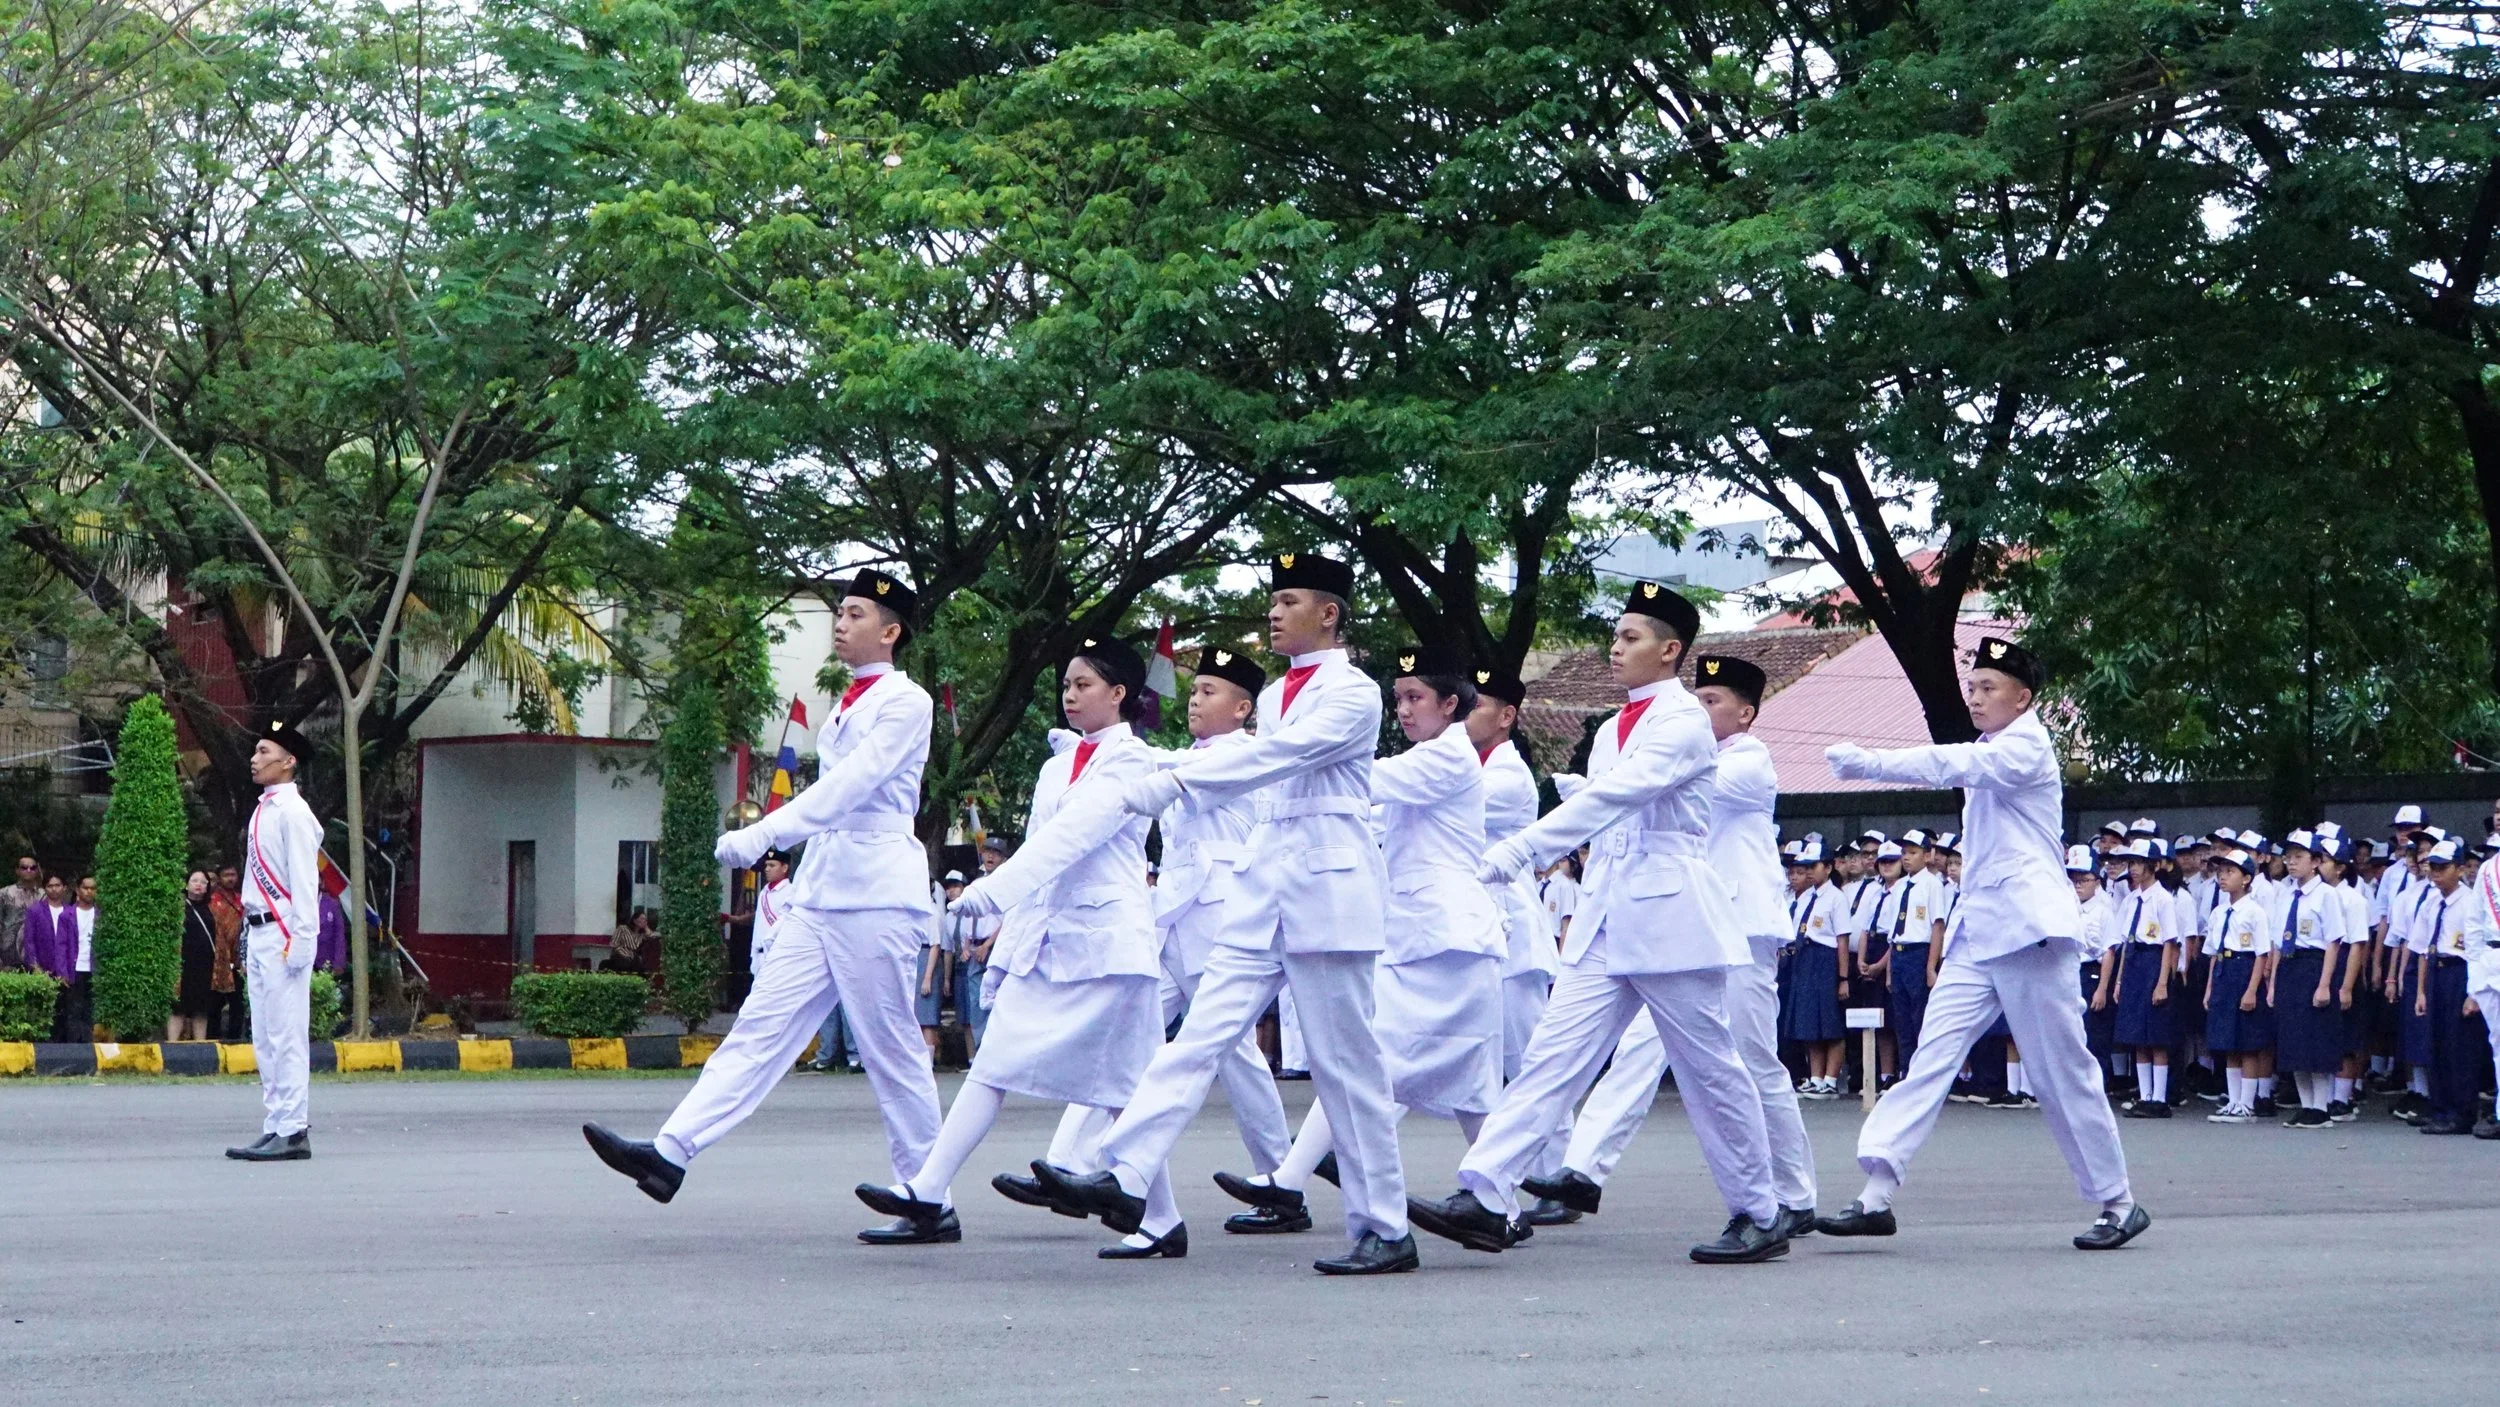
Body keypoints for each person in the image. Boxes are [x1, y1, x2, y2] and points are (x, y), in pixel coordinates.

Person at [1029, 552, 1419, 1276]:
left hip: (1330, 890)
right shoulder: (1274, 696)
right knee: (1197, 1037)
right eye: (1272, 597)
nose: (1273, 610)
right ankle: (1126, 1173)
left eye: (1290, 598)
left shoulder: (1354, 694)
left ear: (1328, 614)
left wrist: (1170, 778)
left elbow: (1276, 759)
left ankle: (1384, 1224)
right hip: (1266, 884)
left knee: (1346, 1067)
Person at [1407, 581, 1786, 1265]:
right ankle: (1488, 1192)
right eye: (1615, 635)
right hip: (1609, 914)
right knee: (1552, 1057)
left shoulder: (1683, 721)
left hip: (1671, 916)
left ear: (1671, 650)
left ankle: (1759, 1209)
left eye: (1632, 637)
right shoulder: (1615, 726)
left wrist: (1526, 845)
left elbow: (1619, 794)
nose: (1616, 647)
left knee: (1711, 1072)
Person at [583, 569, 949, 1246]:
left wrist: (768, 830)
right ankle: (672, 1151)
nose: (842, 622)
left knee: (891, 1047)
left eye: (857, 613)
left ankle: (929, 1193)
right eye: (840, 611)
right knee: (760, 1028)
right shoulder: (844, 703)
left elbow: (854, 788)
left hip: (874, 891)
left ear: (891, 631)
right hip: (825, 890)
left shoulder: (908, 702)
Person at [1816, 636, 2146, 1251]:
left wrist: (1871, 762)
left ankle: (2117, 1200)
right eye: (1972, 686)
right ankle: (1876, 1193)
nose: (1975, 696)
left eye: (1989, 687)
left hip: (2028, 932)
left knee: (2060, 1072)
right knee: (1930, 1059)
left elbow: (1953, 764)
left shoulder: (2026, 748)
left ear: (2024, 698)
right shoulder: (1996, 746)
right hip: (1980, 930)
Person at [866, 638, 1176, 1254]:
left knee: (1124, 1090)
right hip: (1053, 944)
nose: (1069, 693)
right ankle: (929, 1190)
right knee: (995, 1066)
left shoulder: (1137, 762)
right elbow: (1043, 858)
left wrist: (988, 894)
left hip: (1109, 944)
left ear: (1119, 695)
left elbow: (1070, 841)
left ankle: (1163, 1220)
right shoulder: (1056, 765)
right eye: (1065, 682)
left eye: (1084, 684)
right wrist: (1008, 952)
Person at [1517, 652, 1818, 1238]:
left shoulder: (1748, 761)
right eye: (1697, 701)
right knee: (1637, 1049)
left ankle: (1795, 1193)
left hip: (1743, 928)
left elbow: (1663, 787)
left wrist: (1599, 787)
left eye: (1714, 703)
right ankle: (1581, 1170)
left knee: (1754, 1063)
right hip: (1681, 929)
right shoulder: (1670, 741)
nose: (1701, 712)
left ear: (1747, 714)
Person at [1212, 646, 1506, 1235]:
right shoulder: (1428, 755)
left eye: (1415, 697)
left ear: (1451, 705)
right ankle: (1499, 1207)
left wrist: (1264, 756)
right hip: (1421, 937)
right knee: (1451, 1083)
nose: (1401, 709)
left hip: (1449, 936)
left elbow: (1359, 779)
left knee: (1369, 1065)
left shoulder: (1447, 759)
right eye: (1397, 698)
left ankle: (1293, 1180)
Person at [1139, 647, 1294, 1211]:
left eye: (1209, 692)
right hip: (1176, 916)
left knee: (1233, 1053)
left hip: (1220, 915)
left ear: (1243, 708)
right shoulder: (1194, 755)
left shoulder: (1243, 755)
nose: (1195, 702)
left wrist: (1124, 753)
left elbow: (1180, 773)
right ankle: (1075, 1162)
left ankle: (1282, 1175)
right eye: (1195, 690)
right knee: (1128, 1024)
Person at [226, 719, 324, 1162]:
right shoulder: (264, 808)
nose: (254, 758)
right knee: (264, 1036)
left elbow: (306, 883)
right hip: (260, 930)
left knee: (287, 1036)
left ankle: (294, 1128)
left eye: (264, 752)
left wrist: (303, 941)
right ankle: (275, 1124)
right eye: (256, 751)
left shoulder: (295, 814)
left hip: (285, 933)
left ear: (289, 762)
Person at [2410, 838, 2490, 1136]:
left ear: (2459, 869)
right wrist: (2420, 990)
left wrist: (2473, 992)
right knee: (2436, 1044)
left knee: (2461, 1048)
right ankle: (2440, 1107)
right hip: (2436, 972)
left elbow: (2475, 950)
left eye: (2443, 868)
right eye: (2432, 867)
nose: (2435, 873)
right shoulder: (2431, 902)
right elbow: (2421, 949)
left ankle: (2462, 1111)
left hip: (2461, 973)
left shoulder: (2470, 903)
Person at [2269, 829, 2348, 1129]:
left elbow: (2333, 942)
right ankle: (2306, 1105)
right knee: (2294, 1040)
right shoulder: (2287, 894)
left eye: (2299, 857)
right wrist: (2274, 982)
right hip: (2290, 966)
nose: (2292, 863)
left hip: (2314, 966)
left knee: (2316, 1038)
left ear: (2315, 861)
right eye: (2289, 857)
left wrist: (2326, 983)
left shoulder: (2326, 895)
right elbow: (2279, 941)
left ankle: (2321, 1106)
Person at [2101, 838, 2178, 1118]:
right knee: (2137, 1034)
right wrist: (2119, 981)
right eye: (2131, 863)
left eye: (2139, 864)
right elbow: (2124, 942)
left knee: (2155, 1035)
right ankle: (2145, 1094)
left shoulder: (2163, 899)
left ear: (2154, 866)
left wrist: (2161, 982)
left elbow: (2170, 942)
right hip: (2133, 961)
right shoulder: (2132, 899)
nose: (2133, 869)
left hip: (2153, 961)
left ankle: (2160, 1097)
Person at [2199, 848, 2273, 1124]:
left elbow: (2261, 953)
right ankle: (2233, 1100)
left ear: (2246, 878)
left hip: (2245, 970)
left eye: (2230, 872)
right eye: (2221, 872)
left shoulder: (2255, 912)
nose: (2223, 877)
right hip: (2223, 971)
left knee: (2247, 1043)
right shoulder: (2219, 912)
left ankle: (2247, 1103)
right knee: (2228, 1041)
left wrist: (2253, 989)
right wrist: (2209, 988)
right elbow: (2213, 952)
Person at [170, 870, 219, 1042]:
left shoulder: (213, 908)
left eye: (203, 882)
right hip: (181, 963)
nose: (198, 884)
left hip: (205, 964)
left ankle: (200, 1044)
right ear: (186, 884)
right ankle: (172, 1045)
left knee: (201, 1008)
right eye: (194, 880)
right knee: (178, 1007)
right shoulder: (177, 907)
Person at [26, 875, 74, 1027]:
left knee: (65, 1011)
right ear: (44, 888)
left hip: (66, 970)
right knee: (43, 1012)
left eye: (58, 885)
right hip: (43, 968)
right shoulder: (35, 910)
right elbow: (29, 940)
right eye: (50, 886)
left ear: (64, 887)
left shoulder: (71, 911)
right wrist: (35, 966)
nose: (54, 889)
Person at [747, 850, 793, 995]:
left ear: (784, 868)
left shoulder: (791, 892)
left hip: (777, 955)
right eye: (766, 865)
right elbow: (758, 927)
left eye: (772, 865)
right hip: (759, 955)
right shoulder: (763, 893)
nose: (767, 869)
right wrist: (753, 954)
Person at [209, 866, 245, 1041]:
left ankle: (234, 1038)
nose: (230, 879)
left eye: (233, 874)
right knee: (214, 1003)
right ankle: (212, 1038)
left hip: (238, 961)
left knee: (237, 1003)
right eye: (226, 875)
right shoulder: (212, 901)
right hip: (218, 961)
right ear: (219, 878)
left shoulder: (242, 900)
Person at [0, 855, 39, 970]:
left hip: (36, 959)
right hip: (7, 957)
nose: (28, 870)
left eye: (32, 868)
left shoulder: (43, 896)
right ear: (17, 870)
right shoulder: (4, 894)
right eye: (24, 867)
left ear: (37, 871)